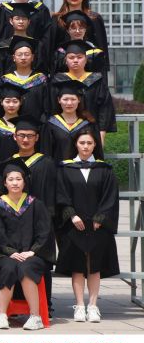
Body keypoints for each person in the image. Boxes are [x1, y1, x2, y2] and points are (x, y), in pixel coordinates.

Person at [55, 129, 119, 323]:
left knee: (94, 266)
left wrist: (100, 217)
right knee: (78, 266)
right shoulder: (65, 168)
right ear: (76, 144)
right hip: (74, 225)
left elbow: (110, 196)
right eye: (82, 143)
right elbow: (61, 195)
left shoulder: (104, 169)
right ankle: (79, 306)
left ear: (95, 145)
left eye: (89, 143)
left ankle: (93, 306)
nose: (85, 146)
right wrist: (71, 215)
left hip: (98, 225)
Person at [0, 160, 55, 331]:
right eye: (10, 179)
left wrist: (33, 251)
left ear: (24, 182)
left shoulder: (35, 204)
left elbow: (45, 232)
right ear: (5, 183)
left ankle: (35, 316)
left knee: (26, 268)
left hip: (33, 255)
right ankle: (2, 315)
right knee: (9, 267)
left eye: (18, 179)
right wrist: (9, 251)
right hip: (5, 254)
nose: (15, 183)